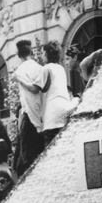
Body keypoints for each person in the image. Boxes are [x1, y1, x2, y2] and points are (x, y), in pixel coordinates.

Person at [11, 40, 48, 175]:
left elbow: (32, 91)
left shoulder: (20, 70)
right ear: (31, 52)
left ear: (18, 54)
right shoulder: (39, 67)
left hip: (30, 115)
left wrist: (20, 80)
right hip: (41, 113)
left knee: (26, 156)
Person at [40, 42, 76, 149]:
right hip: (64, 111)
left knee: (51, 151)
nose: (42, 56)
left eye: (42, 53)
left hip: (52, 115)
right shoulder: (61, 69)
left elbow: (41, 89)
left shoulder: (46, 69)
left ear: (46, 54)